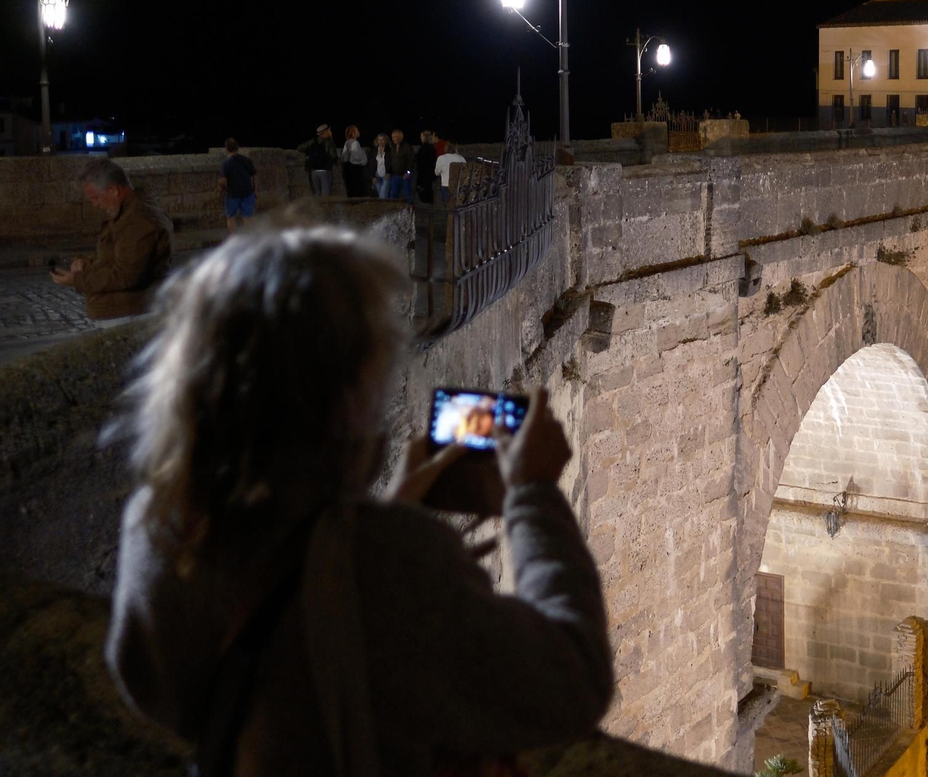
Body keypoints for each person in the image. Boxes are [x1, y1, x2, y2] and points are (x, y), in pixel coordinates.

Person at [104, 227, 613, 776]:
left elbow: (159, 684)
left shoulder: (156, 525)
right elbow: (574, 680)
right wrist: (534, 493)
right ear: (343, 396)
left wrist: (386, 514)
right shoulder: (392, 562)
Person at [50, 158, 174, 328]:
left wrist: (77, 280)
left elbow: (127, 274)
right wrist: (88, 263)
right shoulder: (128, 213)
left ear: (113, 190)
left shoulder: (137, 220)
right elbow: (117, 256)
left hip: (129, 314)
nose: (95, 205)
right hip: (124, 312)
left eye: (95, 198)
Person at [218, 138, 256, 233]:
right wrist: (254, 189)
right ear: (238, 147)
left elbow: (222, 181)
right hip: (247, 192)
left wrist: (224, 189)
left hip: (232, 194)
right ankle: (249, 240)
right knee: (247, 218)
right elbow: (255, 175)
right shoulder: (246, 160)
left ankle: (234, 240)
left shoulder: (226, 164)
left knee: (231, 218)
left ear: (226, 149)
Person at [297, 124, 337, 197]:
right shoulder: (329, 142)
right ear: (326, 132)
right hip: (325, 171)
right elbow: (333, 156)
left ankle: (318, 208)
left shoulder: (313, 141)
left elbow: (300, 148)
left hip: (313, 172)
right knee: (325, 195)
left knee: (317, 195)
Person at [340, 125, 368, 199]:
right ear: (353, 133)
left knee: (351, 190)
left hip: (347, 168)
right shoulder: (355, 143)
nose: (358, 132)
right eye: (357, 131)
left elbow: (344, 156)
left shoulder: (347, 142)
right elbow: (357, 156)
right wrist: (363, 156)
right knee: (357, 190)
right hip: (355, 169)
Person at [435, 141, 467, 206]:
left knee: (448, 205)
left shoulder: (441, 158)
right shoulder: (461, 158)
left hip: (446, 185)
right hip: (458, 185)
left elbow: (437, 172)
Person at [388, 129, 415, 202]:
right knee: (393, 195)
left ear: (400, 137)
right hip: (395, 175)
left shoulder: (407, 147)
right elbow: (391, 160)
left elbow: (411, 161)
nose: (393, 139)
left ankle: (410, 211)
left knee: (407, 194)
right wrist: (389, 172)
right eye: (392, 137)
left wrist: (408, 173)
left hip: (404, 176)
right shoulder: (393, 147)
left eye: (395, 137)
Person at [414, 129, 438, 205]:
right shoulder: (431, 148)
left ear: (425, 137)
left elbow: (421, 162)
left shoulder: (424, 148)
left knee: (424, 195)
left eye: (421, 136)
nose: (420, 138)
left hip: (424, 175)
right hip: (428, 175)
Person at [371, 133, 392, 200]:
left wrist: (389, 172)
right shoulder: (374, 151)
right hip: (377, 175)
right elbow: (371, 164)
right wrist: (372, 176)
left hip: (386, 175)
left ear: (386, 141)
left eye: (382, 140)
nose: (380, 141)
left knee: (383, 196)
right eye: (379, 140)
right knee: (381, 195)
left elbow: (392, 163)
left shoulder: (389, 151)